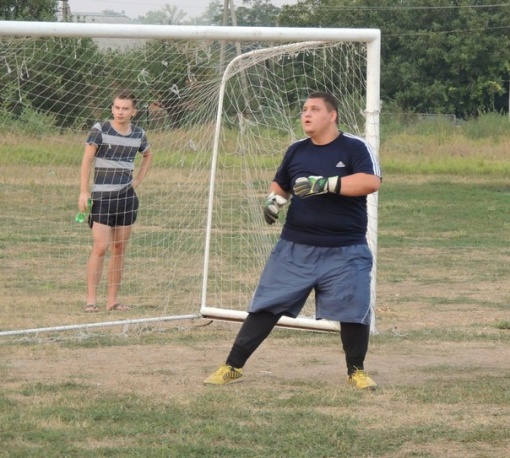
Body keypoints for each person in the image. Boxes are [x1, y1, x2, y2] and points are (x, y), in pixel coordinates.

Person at [204, 91, 382, 389]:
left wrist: (326, 184)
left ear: (332, 115)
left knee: (353, 309)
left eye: (314, 109)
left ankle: (356, 371)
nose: (306, 114)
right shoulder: (297, 150)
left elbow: (370, 182)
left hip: (346, 248)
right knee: (266, 306)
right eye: (303, 110)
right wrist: (274, 201)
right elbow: (281, 184)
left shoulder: (355, 147)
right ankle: (232, 366)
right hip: (295, 247)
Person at [78, 91, 153, 313]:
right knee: (100, 247)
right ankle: (91, 301)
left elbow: (148, 155)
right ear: (112, 108)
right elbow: (86, 160)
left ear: (133, 111)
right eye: (117, 107)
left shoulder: (138, 134)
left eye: (125, 108)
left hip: (127, 198)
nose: (120, 112)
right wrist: (84, 192)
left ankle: (113, 301)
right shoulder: (100, 129)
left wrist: (137, 180)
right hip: (101, 197)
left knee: (119, 249)